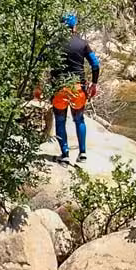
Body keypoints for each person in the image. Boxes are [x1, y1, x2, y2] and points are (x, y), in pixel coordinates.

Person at [52, 15, 100, 163]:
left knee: (60, 121)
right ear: (74, 27)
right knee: (79, 119)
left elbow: (38, 62)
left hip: (59, 88)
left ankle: (65, 155)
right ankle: (83, 153)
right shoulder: (82, 44)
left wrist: (38, 86)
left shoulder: (53, 44)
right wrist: (94, 83)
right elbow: (95, 65)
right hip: (78, 87)